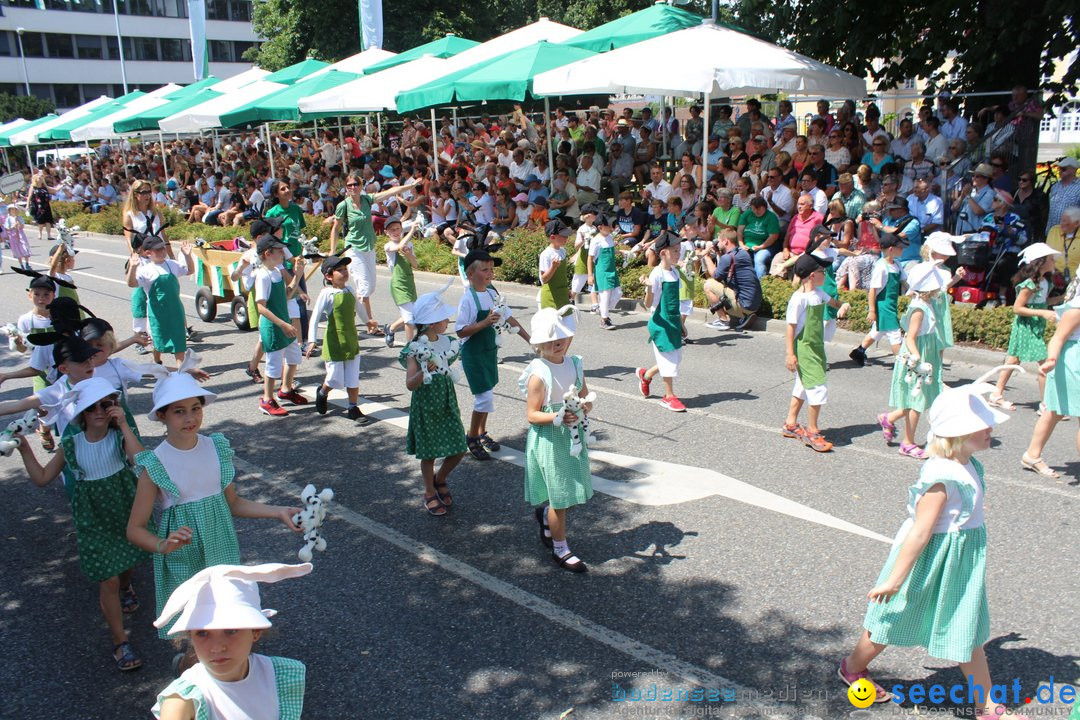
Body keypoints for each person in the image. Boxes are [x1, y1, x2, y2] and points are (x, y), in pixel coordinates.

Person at [839, 376, 1033, 720]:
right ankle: (853, 667)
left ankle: (987, 708)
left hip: (958, 560)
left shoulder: (968, 463)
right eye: (982, 425)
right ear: (957, 434)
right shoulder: (942, 476)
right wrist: (895, 579)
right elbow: (920, 532)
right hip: (928, 558)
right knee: (891, 618)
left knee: (966, 627)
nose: (990, 429)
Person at [126, 360, 301, 638]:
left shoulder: (215, 448)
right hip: (185, 554)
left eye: (195, 408)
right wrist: (163, 545)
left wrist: (278, 511)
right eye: (179, 411)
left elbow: (232, 503)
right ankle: (190, 667)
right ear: (162, 416)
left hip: (221, 549)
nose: (190, 418)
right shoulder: (155, 463)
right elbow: (134, 528)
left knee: (226, 619)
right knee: (193, 630)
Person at [17, 377, 150, 671]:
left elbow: (141, 461)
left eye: (108, 404)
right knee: (109, 578)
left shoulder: (119, 437)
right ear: (82, 414)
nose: (101, 411)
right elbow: (41, 478)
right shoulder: (71, 443)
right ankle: (120, 643)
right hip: (93, 517)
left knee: (127, 564)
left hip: (124, 507)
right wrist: (25, 447)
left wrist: (125, 424)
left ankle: (127, 586)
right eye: (93, 407)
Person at [151, 563, 312, 720]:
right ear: (191, 636)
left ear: (255, 631)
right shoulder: (182, 703)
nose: (217, 647)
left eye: (231, 631)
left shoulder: (276, 675)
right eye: (202, 633)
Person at [521, 306, 593, 572]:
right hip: (551, 439)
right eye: (551, 340)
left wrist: (584, 407)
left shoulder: (575, 364)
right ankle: (560, 548)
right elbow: (531, 415)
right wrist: (557, 417)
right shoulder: (539, 373)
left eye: (561, 337)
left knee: (568, 491)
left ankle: (546, 518)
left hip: (572, 438)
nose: (558, 343)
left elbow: (585, 397)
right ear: (539, 344)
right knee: (561, 496)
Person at [457, 249, 531, 461]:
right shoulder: (468, 300)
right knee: (484, 398)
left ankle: (481, 432)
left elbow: (509, 317)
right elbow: (461, 330)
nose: (490, 273)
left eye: (491, 269)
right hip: (473, 353)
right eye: (484, 269)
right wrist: (484, 323)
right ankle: (471, 437)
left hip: (489, 351)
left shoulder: (492, 294)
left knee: (488, 393)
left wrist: (530, 339)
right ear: (470, 274)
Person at [401, 286, 468, 516]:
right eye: (443, 318)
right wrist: (422, 371)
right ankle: (429, 491)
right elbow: (410, 383)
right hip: (426, 403)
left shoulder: (448, 343)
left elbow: (451, 364)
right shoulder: (415, 348)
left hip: (447, 400)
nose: (447, 321)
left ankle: (440, 478)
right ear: (431, 323)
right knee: (429, 453)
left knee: (459, 447)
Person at [328, 172, 414, 336]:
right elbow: (336, 228)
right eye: (349, 185)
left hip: (369, 247)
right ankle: (371, 325)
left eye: (355, 184)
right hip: (354, 249)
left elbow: (389, 192)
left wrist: (409, 186)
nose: (353, 187)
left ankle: (354, 309)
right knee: (365, 288)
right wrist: (332, 251)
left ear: (361, 186)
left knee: (370, 287)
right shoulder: (343, 206)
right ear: (346, 188)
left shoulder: (367, 199)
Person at [782, 253, 850, 452]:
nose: (825, 274)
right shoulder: (799, 299)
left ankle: (790, 423)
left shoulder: (819, 293)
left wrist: (843, 305)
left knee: (803, 385)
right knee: (817, 388)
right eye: (822, 271)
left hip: (816, 346)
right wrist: (790, 354)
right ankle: (812, 431)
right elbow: (790, 327)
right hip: (804, 348)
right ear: (812, 275)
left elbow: (835, 304)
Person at [878, 263, 946, 459]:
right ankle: (907, 443)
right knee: (917, 400)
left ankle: (888, 418)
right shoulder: (919, 308)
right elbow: (910, 337)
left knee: (917, 397)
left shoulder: (927, 303)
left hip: (926, 351)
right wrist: (917, 357)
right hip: (918, 353)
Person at [989, 243, 1061, 414]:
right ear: (1041, 262)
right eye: (1051, 259)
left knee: (1013, 359)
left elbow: (1042, 302)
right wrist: (1043, 313)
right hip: (1026, 325)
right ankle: (1046, 405)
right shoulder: (1029, 284)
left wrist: (1062, 299)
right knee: (1045, 362)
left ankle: (996, 394)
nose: (1054, 261)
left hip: (1036, 325)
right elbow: (1017, 308)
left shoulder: (1045, 282)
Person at [1021, 281, 1080, 478]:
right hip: (1073, 363)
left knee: (1053, 410)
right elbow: (1058, 338)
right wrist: (1051, 359)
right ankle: (1032, 454)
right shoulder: (1077, 308)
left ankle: (1032, 454)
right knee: (1055, 409)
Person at [306, 255, 369, 424]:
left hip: (351, 340)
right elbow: (315, 317)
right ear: (329, 276)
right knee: (334, 378)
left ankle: (353, 407)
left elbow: (359, 307)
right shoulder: (327, 294)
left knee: (352, 378)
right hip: (334, 341)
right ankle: (323, 392)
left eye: (345, 269)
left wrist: (369, 321)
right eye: (339, 270)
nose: (344, 273)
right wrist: (312, 340)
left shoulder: (349, 291)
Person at [252, 235, 306, 417]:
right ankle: (266, 400)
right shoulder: (263, 276)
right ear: (268, 253)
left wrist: (297, 275)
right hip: (274, 327)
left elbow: (286, 295)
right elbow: (260, 307)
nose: (283, 254)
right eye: (280, 251)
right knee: (273, 366)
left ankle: (286, 390)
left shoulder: (275, 271)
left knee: (294, 358)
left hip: (285, 324)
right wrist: (283, 324)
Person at [636, 232, 689, 413]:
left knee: (675, 358)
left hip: (673, 321)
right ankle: (669, 397)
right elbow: (648, 304)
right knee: (669, 361)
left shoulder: (674, 272)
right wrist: (649, 288)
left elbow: (676, 302)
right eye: (675, 250)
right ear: (663, 253)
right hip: (660, 323)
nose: (678, 253)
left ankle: (646, 374)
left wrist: (682, 324)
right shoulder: (657, 274)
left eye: (679, 250)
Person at [127, 235, 194, 368]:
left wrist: (187, 256)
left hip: (175, 309)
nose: (162, 251)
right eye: (157, 250)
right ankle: (157, 360)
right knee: (158, 339)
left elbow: (190, 270)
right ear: (148, 253)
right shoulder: (145, 270)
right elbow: (132, 283)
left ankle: (181, 371)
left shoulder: (172, 264)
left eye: (162, 248)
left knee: (179, 339)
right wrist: (133, 267)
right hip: (157, 312)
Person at [850, 234, 908, 366]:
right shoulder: (881, 266)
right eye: (900, 247)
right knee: (894, 334)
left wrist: (914, 293)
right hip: (883, 306)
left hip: (891, 304)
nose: (902, 250)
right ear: (891, 249)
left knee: (878, 330)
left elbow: (905, 283)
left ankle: (859, 351)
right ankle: (902, 363)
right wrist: (872, 310)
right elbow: (873, 290)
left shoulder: (897, 264)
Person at [702, 228, 763, 331]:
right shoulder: (742, 253)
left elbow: (716, 275)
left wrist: (706, 256)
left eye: (719, 240)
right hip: (754, 304)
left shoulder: (727, 258)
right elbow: (726, 264)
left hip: (744, 304)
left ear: (725, 241)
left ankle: (723, 320)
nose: (718, 242)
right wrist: (717, 252)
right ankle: (744, 315)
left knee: (708, 284)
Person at [382, 217, 420, 348]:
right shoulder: (388, 246)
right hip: (398, 285)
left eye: (398, 228)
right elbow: (400, 246)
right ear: (386, 232)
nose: (395, 232)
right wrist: (413, 230)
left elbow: (415, 264)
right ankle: (410, 347)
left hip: (409, 282)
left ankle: (391, 329)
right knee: (410, 319)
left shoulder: (409, 245)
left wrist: (409, 254)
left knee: (411, 314)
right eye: (392, 230)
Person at [588, 213, 623, 330]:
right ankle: (604, 319)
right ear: (600, 227)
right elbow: (590, 258)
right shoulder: (596, 241)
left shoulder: (609, 237)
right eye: (609, 226)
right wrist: (590, 275)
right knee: (605, 295)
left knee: (618, 293)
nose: (611, 228)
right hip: (602, 272)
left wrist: (621, 252)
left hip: (612, 270)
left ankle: (604, 311)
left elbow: (612, 251)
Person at [737, 197, 781, 278]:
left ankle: (761, 284)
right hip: (747, 245)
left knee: (759, 260)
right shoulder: (748, 213)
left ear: (764, 207)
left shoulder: (771, 217)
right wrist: (741, 244)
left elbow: (774, 236)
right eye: (753, 209)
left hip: (766, 245)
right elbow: (739, 230)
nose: (756, 211)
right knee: (739, 257)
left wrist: (761, 247)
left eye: (759, 209)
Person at [539, 218, 572, 309]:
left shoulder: (563, 251)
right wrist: (553, 267)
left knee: (568, 322)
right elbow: (544, 279)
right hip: (550, 296)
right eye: (563, 236)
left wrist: (567, 289)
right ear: (552, 237)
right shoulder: (546, 254)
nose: (566, 238)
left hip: (562, 294)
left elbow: (562, 276)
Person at [1045, 156, 1080, 238]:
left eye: (1063, 169)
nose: (1060, 171)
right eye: (1059, 169)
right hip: (1052, 232)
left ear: (1073, 170)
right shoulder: (1055, 187)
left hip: (1071, 234)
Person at [4, 204, 32, 270]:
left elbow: (22, 227)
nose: (14, 211)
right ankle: (21, 265)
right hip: (13, 236)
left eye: (15, 209)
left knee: (24, 248)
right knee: (17, 250)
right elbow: (7, 228)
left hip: (21, 235)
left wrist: (18, 222)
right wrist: (13, 226)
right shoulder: (8, 219)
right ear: (9, 211)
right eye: (12, 209)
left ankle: (27, 264)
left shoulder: (19, 218)